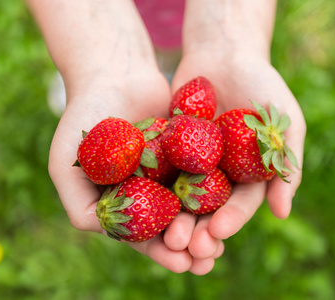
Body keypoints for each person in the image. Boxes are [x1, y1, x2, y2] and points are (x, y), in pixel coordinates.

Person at [25, 0, 306, 275]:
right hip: (89, 27)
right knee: (86, 75)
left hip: (193, 23)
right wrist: (97, 67)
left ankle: (149, 69)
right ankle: (82, 80)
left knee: (171, 56)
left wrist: (230, 38)